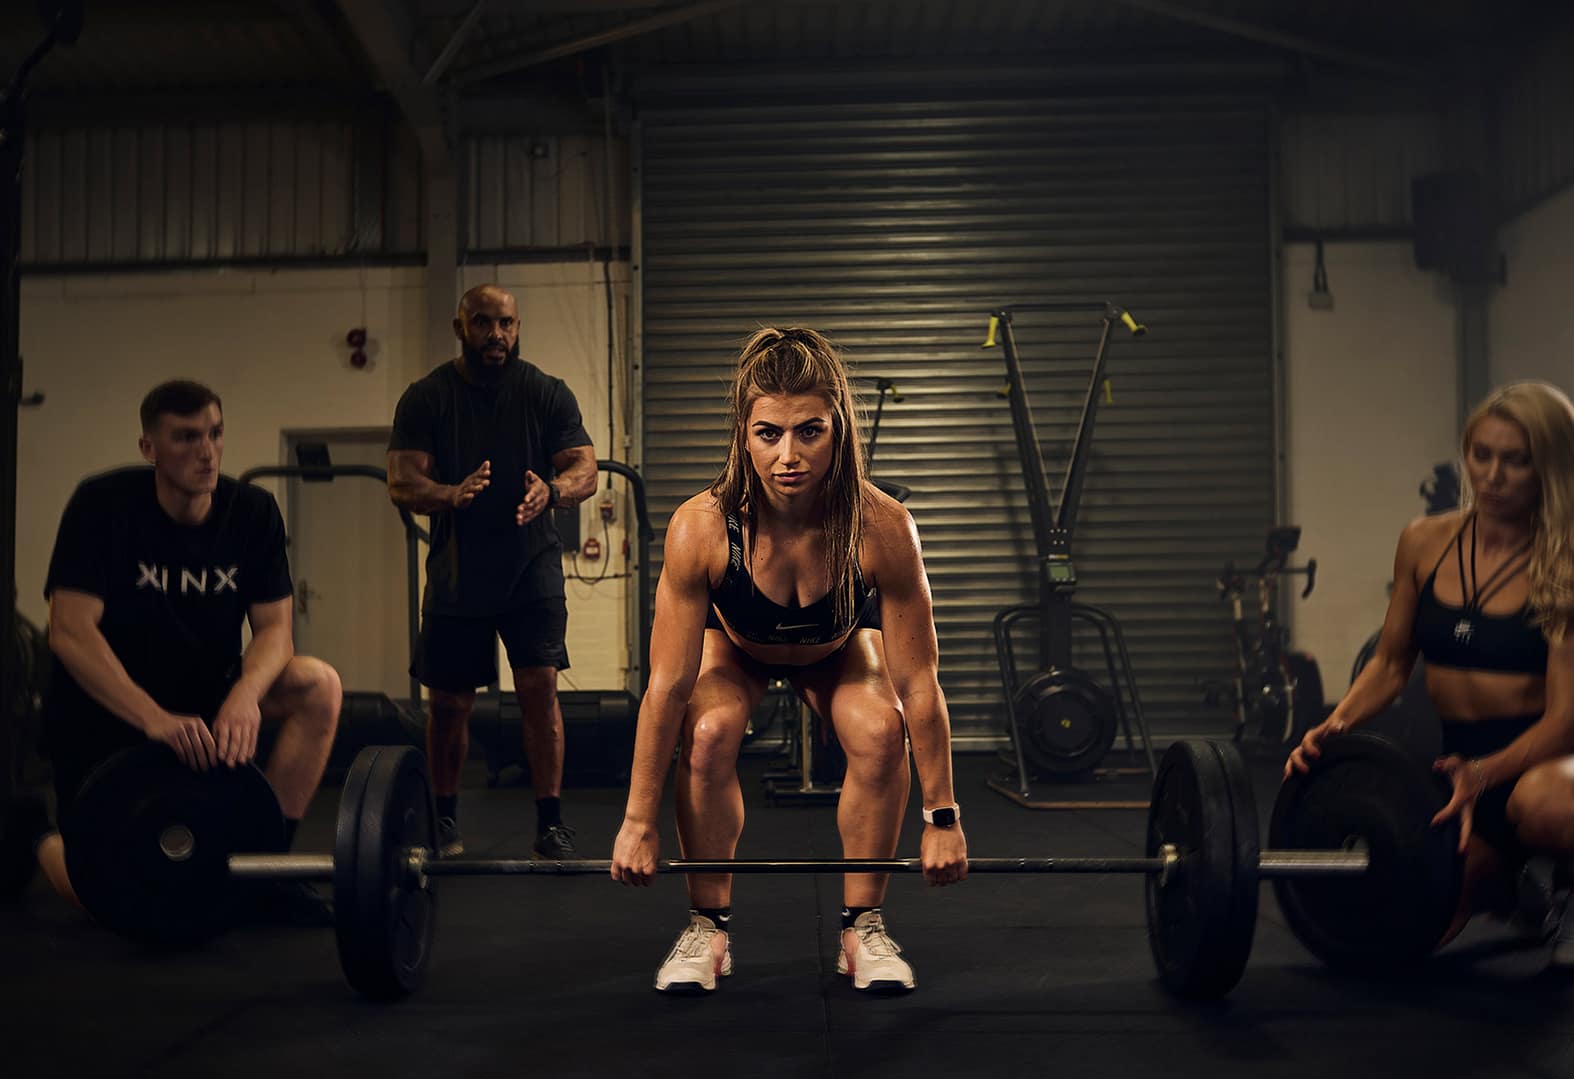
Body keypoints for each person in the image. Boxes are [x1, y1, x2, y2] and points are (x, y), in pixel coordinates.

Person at [611, 326, 968, 995]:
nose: (789, 455)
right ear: (743, 435)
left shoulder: (883, 527)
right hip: (736, 645)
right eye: (768, 433)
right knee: (710, 731)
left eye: (810, 431)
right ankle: (708, 928)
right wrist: (637, 821)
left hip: (835, 646)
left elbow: (919, 682)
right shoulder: (704, 527)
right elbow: (665, 688)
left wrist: (942, 816)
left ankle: (862, 926)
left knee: (881, 728)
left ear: (839, 429)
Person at [8, 379, 342, 923]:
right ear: (149, 449)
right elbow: (69, 631)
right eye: (186, 438)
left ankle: (268, 868)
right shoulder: (102, 505)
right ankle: (35, 834)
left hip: (205, 695)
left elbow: (276, 630)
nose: (206, 451)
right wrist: (153, 717)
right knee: (103, 900)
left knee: (317, 684)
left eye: (214, 434)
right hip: (108, 708)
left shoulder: (252, 512)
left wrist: (245, 696)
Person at [1287, 379, 1574, 961]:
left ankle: (1566, 885)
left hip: (1545, 757)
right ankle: (1520, 886)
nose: (1492, 476)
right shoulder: (1423, 541)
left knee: (1548, 808)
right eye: (1482, 455)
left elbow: (1566, 718)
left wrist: (1485, 773)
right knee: (1428, 921)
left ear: (1549, 466)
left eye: (1516, 461)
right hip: (1457, 757)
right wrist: (1336, 724)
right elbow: (1391, 663)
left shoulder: (1566, 555)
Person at [388, 284, 598, 860]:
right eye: (482, 323)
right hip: (459, 571)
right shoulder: (428, 397)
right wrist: (450, 493)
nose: (496, 335)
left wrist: (552, 491)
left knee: (538, 689)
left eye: (505, 323)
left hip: (531, 567)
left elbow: (585, 468)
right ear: (460, 328)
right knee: (450, 704)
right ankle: (445, 818)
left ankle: (550, 823)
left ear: (517, 326)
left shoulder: (545, 392)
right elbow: (402, 479)